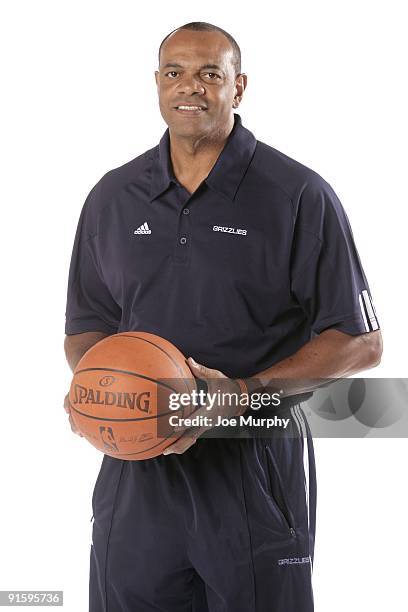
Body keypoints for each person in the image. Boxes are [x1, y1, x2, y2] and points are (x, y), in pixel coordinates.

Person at [64, 21, 383, 612]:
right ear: (156, 85)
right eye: (174, 73)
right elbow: (88, 323)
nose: (191, 87)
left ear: (238, 87)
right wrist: (94, 387)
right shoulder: (112, 196)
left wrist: (243, 393)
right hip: (137, 470)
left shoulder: (296, 194)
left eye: (211, 73)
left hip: (253, 462)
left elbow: (359, 341)